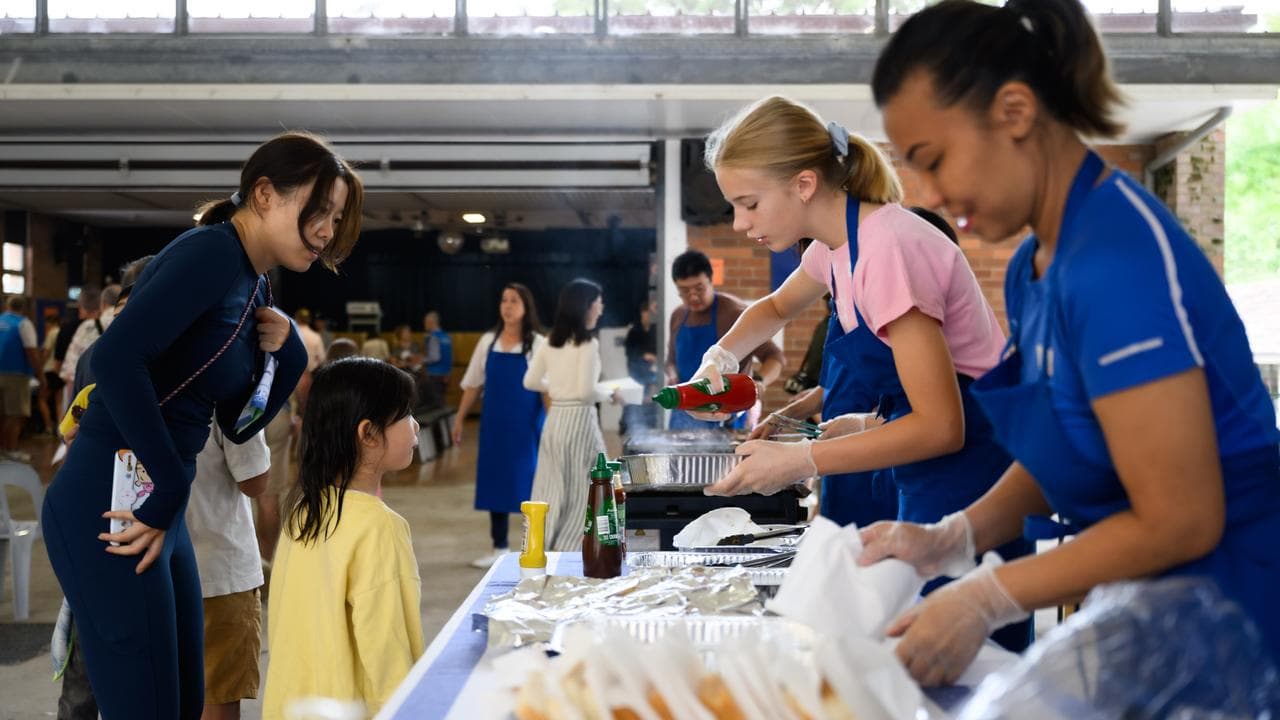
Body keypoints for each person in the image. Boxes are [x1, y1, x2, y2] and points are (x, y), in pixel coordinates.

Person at [857, 0, 1280, 684]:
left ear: (1016, 112)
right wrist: (954, 538)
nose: (927, 194)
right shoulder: (1034, 269)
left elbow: (1181, 520)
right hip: (1153, 607)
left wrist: (985, 598)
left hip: (1241, 614)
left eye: (933, 161)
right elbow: (1068, 446)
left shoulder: (1117, 264)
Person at [41, 130, 363, 719]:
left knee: (185, 700)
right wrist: (167, 486)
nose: (327, 230)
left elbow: (239, 423)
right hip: (110, 500)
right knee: (148, 706)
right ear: (265, 194)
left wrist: (290, 353)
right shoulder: (211, 254)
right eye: (319, 212)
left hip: (157, 503)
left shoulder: (254, 281)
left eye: (337, 218)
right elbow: (115, 359)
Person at [695, 95, 1032, 652]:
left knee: (964, 662)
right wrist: (721, 357)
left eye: (749, 204)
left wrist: (800, 460)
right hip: (927, 476)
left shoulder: (887, 248)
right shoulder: (835, 249)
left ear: (803, 184)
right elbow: (776, 309)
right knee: (908, 651)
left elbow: (944, 425)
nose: (740, 222)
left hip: (972, 482)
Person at [262, 358, 424, 718]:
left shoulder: (303, 509)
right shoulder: (379, 528)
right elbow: (388, 651)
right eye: (405, 414)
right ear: (368, 433)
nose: (415, 426)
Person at [452, 284, 546, 568]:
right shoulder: (488, 342)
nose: (507, 305)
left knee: (532, 484)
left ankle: (534, 547)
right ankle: (499, 547)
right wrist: (458, 418)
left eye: (514, 301)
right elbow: (472, 384)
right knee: (495, 483)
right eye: (504, 300)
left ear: (526, 306)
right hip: (494, 425)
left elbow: (547, 390)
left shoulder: (538, 344)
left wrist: (552, 425)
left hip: (527, 425)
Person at [524, 279, 620, 551]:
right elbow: (586, 391)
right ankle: (572, 555)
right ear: (587, 307)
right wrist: (610, 392)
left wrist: (555, 388)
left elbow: (530, 382)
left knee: (549, 489)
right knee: (584, 492)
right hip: (579, 421)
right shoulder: (587, 344)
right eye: (598, 304)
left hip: (555, 421)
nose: (600, 310)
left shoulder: (549, 342)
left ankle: (537, 550)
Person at [186, 425, 270, 720]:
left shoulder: (124, 386)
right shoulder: (229, 389)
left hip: (147, 568)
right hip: (218, 571)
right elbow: (254, 480)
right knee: (217, 698)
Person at [665, 250, 785, 430]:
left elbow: (775, 356)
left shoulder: (733, 312)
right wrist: (672, 374)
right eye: (684, 291)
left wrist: (760, 382)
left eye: (699, 288)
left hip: (727, 416)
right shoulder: (678, 316)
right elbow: (671, 361)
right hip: (684, 415)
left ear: (711, 280)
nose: (693, 297)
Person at [0, 295, 42, 461]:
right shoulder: (23, 323)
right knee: (15, 414)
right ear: (23, 308)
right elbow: (31, 351)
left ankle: (3, 449)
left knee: (2, 414)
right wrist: (41, 375)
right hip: (16, 375)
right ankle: (11, 449)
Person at [622, 298, 659, 434]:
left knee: (651, 405)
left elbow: (659, 352)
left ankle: (650, 429)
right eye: (646, 311)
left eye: (651, 311)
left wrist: (654, 358)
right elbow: (629, 352)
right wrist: (644, 356)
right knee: (633, 404)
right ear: (642, 313)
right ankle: (628, 429)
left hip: (652, 374)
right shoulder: (634, 331)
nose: (649, 314)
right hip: (636, 373)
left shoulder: (656, 330)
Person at [422, 310, 453, 405]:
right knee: (441, 400)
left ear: (431, 323)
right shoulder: (446, 336)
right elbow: (449, 356)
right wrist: (448, 373)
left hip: (434, 374)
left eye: (425, 322)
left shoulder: (433, 337)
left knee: (436, 404)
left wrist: (421, 360)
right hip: (445, 374)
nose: (424, 325)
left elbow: (435, 357)